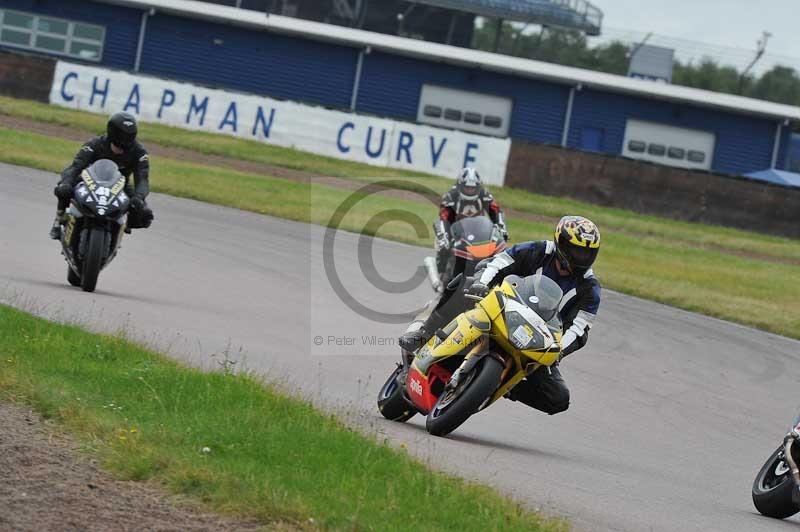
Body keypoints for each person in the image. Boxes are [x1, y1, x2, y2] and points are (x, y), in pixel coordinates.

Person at [400, 215, 602, 416]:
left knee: (558, 398)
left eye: (587, 253)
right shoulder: (538, 250)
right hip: (501, 309)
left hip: (539, 342)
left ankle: (502, 385)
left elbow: (579, 328)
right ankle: (423, 333)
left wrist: (560, 351)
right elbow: (499, 262)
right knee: (463, 283)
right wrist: (481, 283)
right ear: (562, 243)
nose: (582, 257)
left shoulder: (590, 288)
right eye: (577, 250)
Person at [50, 112, 153, 239]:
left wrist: (139, 197)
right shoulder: (94, 144)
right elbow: (76, 167)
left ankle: (122, 226)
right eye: (120, 140)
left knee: (145, 214)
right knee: (63, 189)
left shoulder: (140, 152)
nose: (121, 148)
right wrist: (67, 182)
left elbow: (142, 179)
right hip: (88, 179)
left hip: (121, 185)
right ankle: (58, 220)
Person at [433, 167, 507, 275]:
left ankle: (493, 271)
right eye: (467, 187)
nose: (470, 190)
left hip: (477, 230)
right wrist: (444, 236)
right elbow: (443, 217)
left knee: (498, 244)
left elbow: (496, 211)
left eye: (473, 188)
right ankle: (442, 271)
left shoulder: (484, 194)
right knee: (444, 245)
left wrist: (501, 228)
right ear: (460, 185)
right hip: (454, 230)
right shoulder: (451, 196)